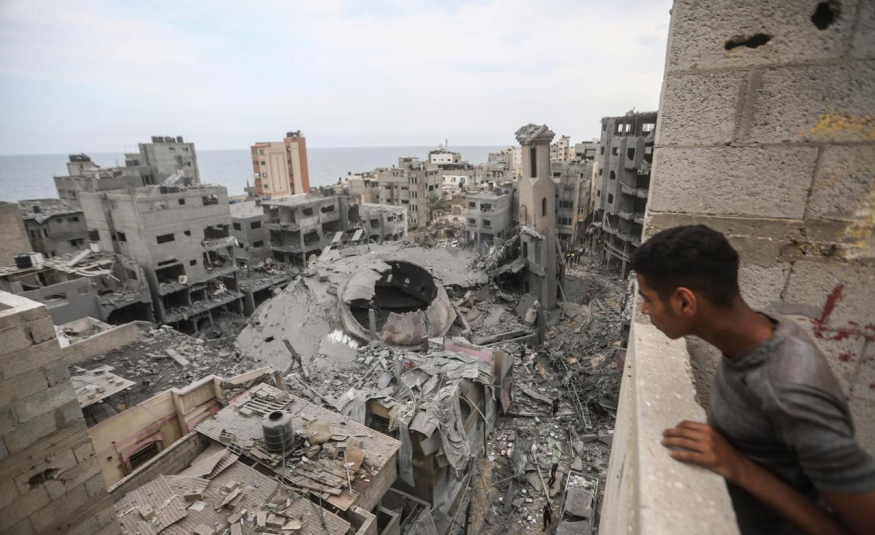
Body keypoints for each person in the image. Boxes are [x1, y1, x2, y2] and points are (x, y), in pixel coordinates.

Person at [631, 225, 875, 535]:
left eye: (648, 299)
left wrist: (739, 467)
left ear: (684, 302)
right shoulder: (755, 332)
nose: (644, 309)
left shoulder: (792, 391)